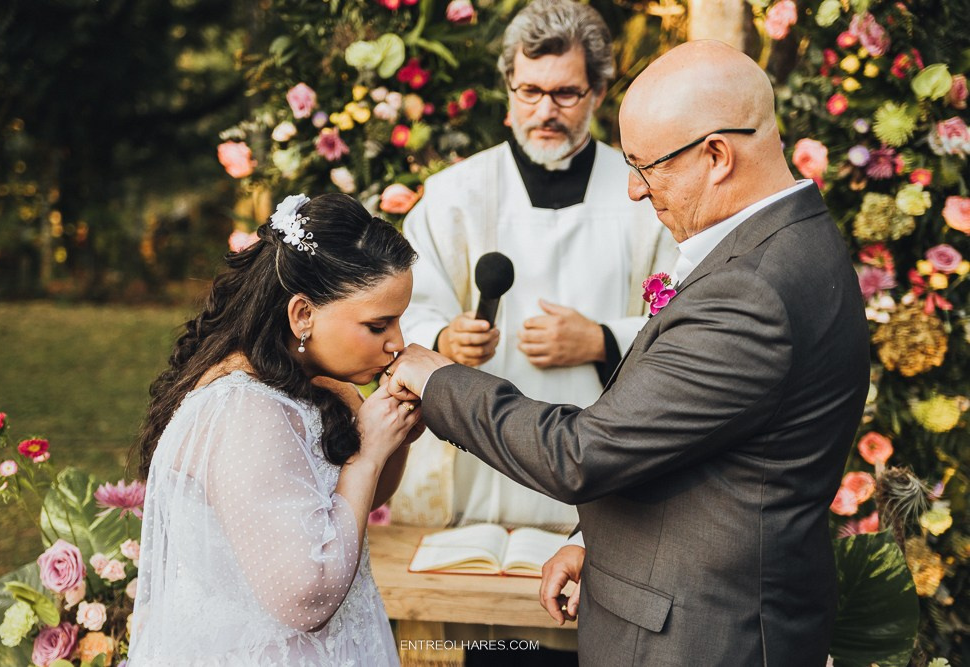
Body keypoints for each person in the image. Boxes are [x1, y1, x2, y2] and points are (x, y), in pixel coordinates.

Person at [383, 40, 870, 666]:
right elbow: (700, 445)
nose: (635, 191)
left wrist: (438, 378)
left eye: (648, 167)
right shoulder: (788, 241)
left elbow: (581, 454)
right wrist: (600, 541)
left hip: (703, 636)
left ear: (717, 156)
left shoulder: (750, 290)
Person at [396, 0, 674, 532]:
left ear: (597, 92)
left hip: (604, 465)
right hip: (477, 470)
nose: (545, 110)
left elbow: (692, 312)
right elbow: (408, 305)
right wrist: (444, 339)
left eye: (565, 93)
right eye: (530, 91)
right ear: (509, 90)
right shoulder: (456, 195)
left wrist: (600, 339)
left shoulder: (644, 194)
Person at [128, 193, 420, 666]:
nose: (397, 343)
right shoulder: (245, 413)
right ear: (302, 315)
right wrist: (367, 457)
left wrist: (396, 437)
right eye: (377, 324)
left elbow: (351, 508)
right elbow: (307, 598)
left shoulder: (312, 382)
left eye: (399, 320)